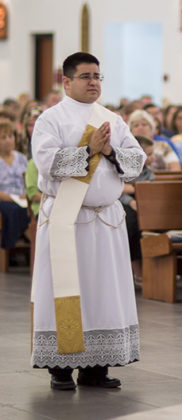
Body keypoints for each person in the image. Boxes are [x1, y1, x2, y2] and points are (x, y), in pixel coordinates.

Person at [30, 52, 145, 390]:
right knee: (66, 291)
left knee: (103, 293)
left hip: (105, 221)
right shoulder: (50, 119)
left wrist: (109, 152)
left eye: (98, 76)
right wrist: (88, 150)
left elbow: (137, 160)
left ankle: (97, 366)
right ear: (66, 82)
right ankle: (61, 367)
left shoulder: (112, 118)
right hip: (68, 220)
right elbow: (47, 162)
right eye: (86, 76)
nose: (94, 82)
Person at [119, 135, 156, 282]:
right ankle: (127, 268)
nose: (153, 158)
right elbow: (117, 191)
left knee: (143, 223)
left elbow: (149, 191)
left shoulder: (148, 172)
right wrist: (131, 200)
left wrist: (135, 191)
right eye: (150, 154)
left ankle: (148, 272)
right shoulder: (124, 170)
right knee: (130, 221)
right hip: (126, 207)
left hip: (145, 207)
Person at [0, 120, 30, 251]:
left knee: (35, 210)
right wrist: (12, 197)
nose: (8, 140)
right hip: (4, 198)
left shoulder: (21, 158)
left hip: (23, 197)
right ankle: (9, 245)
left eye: (11, 136)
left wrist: (27, 194)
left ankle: (29, 242)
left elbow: (29, 182)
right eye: (3, 137)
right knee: (14, 210)